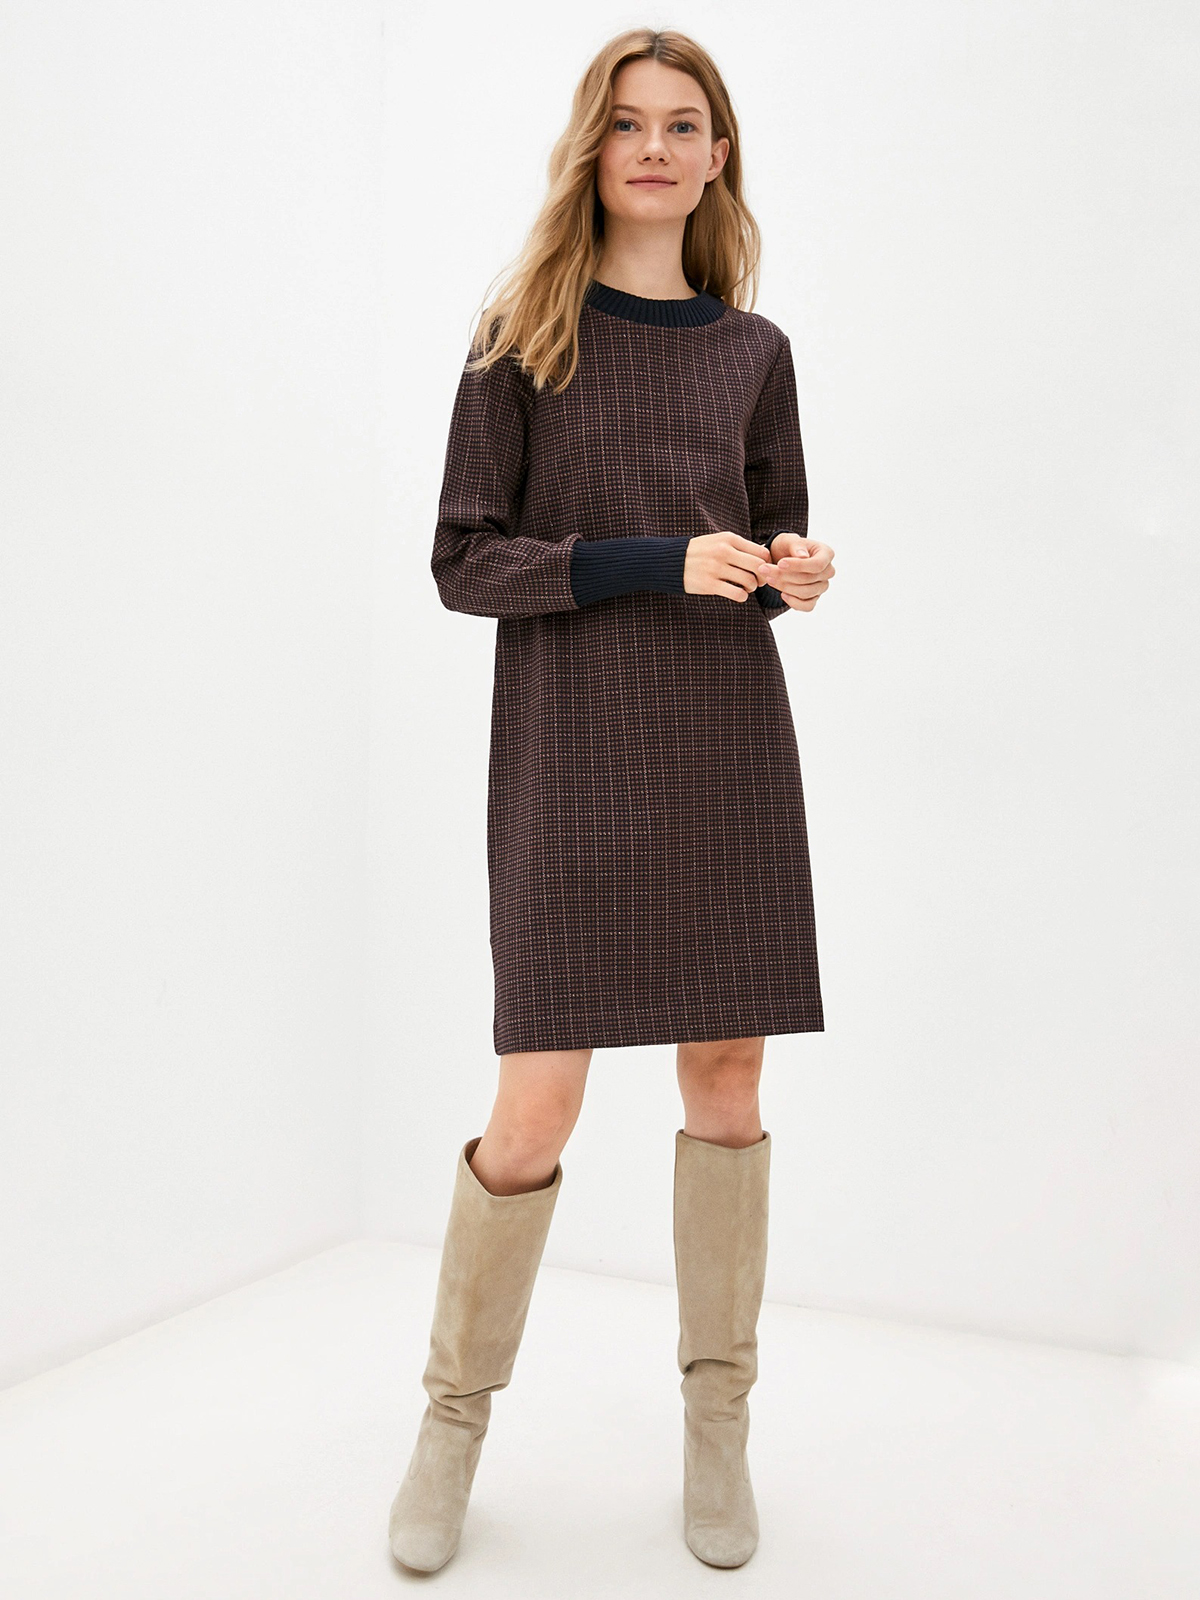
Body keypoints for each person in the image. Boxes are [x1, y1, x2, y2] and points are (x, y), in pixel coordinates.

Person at [388, 25, 836, 1574]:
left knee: (729, 1074)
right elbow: (464, 563)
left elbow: (759, 544)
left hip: (723, 739)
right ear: (594, 150)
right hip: (573, 744)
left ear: (718, 156)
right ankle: (452, 1424)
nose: (655, 147)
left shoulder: (753, 352)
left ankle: (719, 1430)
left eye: (683, 124)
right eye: (629, 123)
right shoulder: (520, 336)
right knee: (539, 1099)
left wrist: (793, 571)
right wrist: (656, 559)